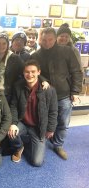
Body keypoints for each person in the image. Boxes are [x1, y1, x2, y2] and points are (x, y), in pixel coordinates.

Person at [31, 27, 83, 160]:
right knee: (43, 119)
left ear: (55, 39)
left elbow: (76, 71)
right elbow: (34, 73)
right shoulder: (35, 56)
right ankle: (42, 140)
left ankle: (58, 145)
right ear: (40, 40)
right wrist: (43, 80)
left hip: (64, 95)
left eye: (50, 40)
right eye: (44, 40)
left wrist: (75, 91)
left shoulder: (67, 51)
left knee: (63, 122)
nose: (47, 42)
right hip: (45, 96)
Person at [8, 59, 58, 166]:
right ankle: (19, 147)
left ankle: (31, 141)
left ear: (39, 72)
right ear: (23, 73)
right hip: (23, 123)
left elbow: (53, 111)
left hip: (38, 128)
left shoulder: (49, 90)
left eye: (33, 72)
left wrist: (50, 129)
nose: (30, 74)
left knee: (37, 162)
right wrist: (13, 123)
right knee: (11, 132)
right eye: (27, 72)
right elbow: (13, 106)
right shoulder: (17, 86)